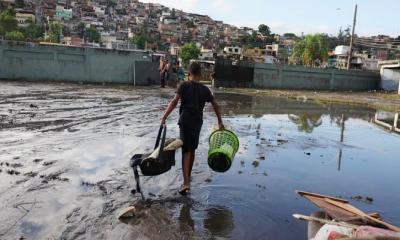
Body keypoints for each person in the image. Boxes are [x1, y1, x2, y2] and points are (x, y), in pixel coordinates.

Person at [161, 62, 224, 195]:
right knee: (192, 150)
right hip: (197, 122)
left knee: (186, 151)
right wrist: (219, 122)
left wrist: (164, 117)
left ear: (188, 74)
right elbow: (216, 105)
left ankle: (186, 182)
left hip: (185, 121)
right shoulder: (205, 89)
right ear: (200, 75)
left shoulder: (184, 85)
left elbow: (174, 101)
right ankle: (187, 179)